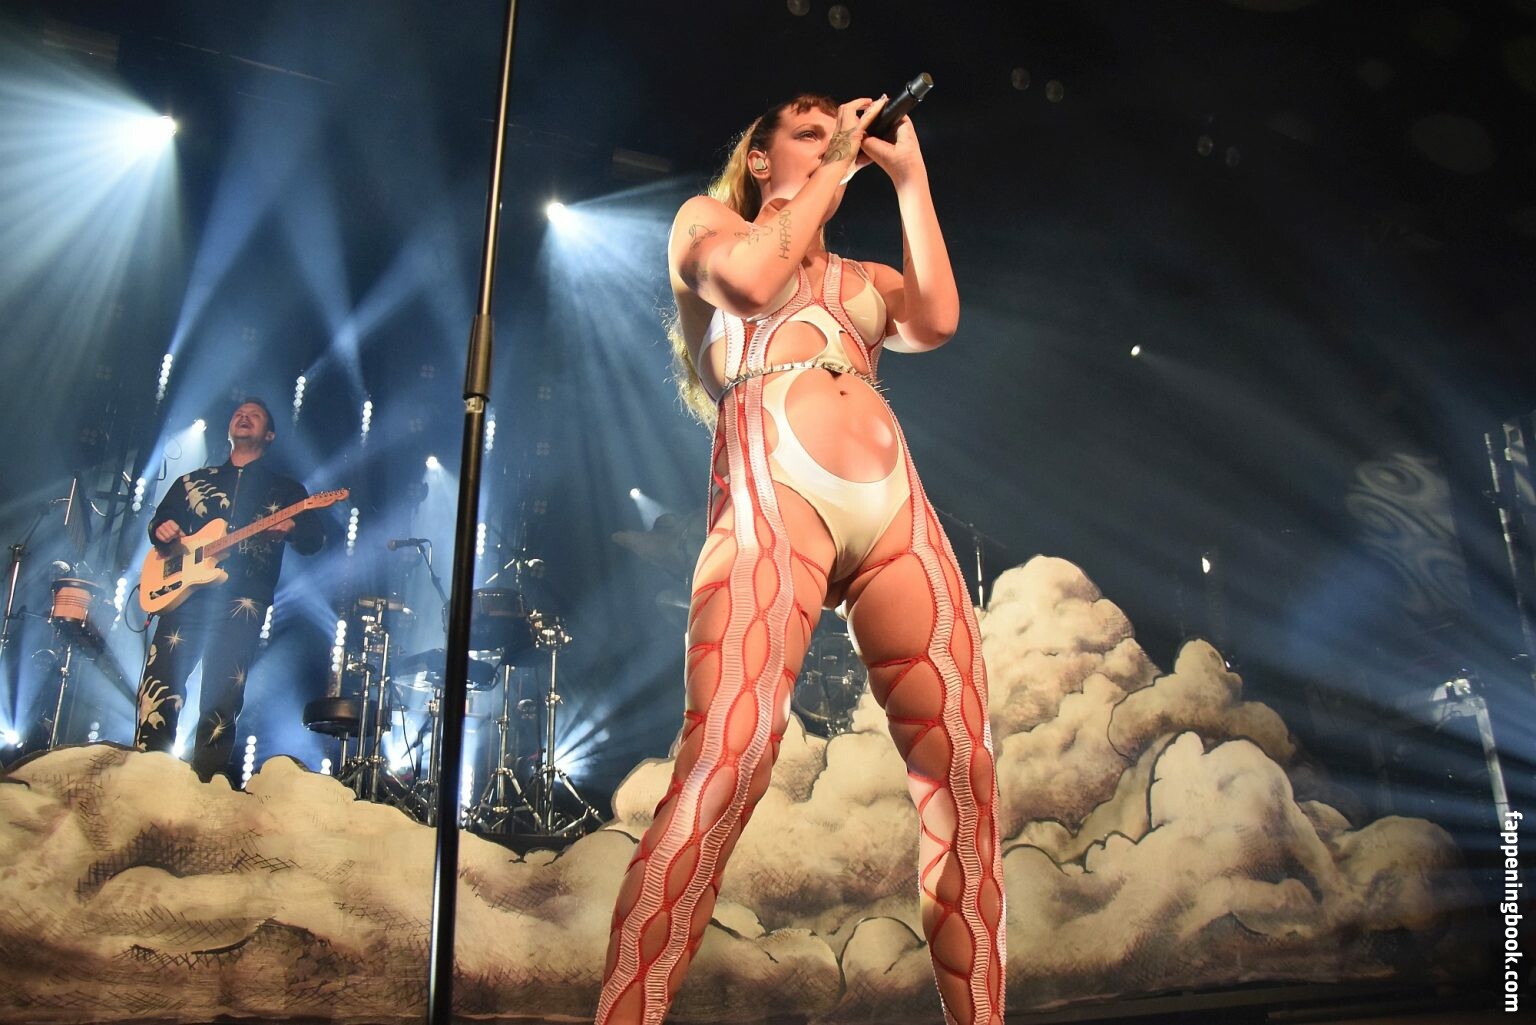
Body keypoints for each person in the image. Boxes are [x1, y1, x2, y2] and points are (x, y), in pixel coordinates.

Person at [597, 95, 1005, 1025]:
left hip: (892, 508)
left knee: (965, 774)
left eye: (839, 135)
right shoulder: (707, 225)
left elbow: (936, 318)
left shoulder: (859, 276)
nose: (835, 147)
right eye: (811, 135)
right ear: (759, 156)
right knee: (731, 756)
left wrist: (909, 178)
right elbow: (748, 283)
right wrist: (833, 168)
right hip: (772, 500)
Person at [132, 398, 325, 782]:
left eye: (255, 415)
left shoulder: (287, 490)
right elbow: (160, 523)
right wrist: (162, 528)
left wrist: (293, 527)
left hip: (243, 599)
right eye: (239, 412)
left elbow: (314, 537)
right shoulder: (193, 482)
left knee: (223, 693)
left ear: (269, 435)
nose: (244, 416)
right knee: (162, 683)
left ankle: (206, 783)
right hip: (184, 595)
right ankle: (147, 775)